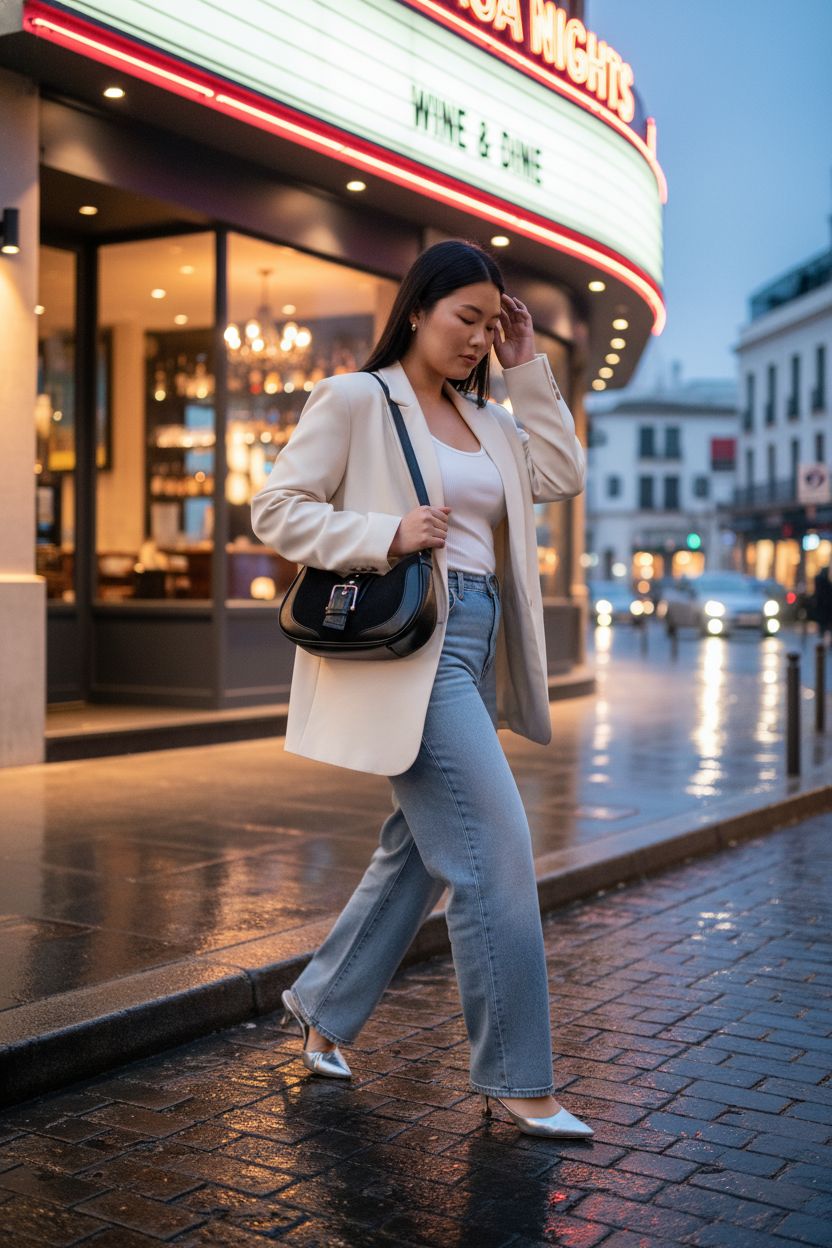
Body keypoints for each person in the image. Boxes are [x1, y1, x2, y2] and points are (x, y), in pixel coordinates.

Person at [250, 239, 591, 1140]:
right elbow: (276, 509)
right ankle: (520, 1079)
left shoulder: (493, 419)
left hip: (477, 643)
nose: (478, 337)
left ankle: (323, 1005)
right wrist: (386, 533)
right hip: (415, 642)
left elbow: (563, 476)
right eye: (464, 318)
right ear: (416, 311)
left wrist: (528, 366)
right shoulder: (357, 399)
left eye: (491, 323)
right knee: (494, 849)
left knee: (420, 849)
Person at [813, 564, 832, 645]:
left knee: (823, 625)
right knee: (825, 624)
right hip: (825, 606)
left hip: (823, 607)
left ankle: (822, 640)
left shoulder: (819, 581)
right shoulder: (825, 582)